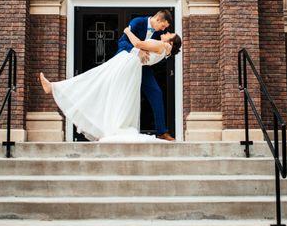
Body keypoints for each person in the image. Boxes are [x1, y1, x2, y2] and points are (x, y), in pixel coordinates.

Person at [39, 20, 181, 143]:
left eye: (170, 34)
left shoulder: (162, 46)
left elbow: (137, 43)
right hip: (131, 66)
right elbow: (142, 49)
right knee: (113, 93)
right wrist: (141, 50)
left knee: (95, 79)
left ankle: (55, 88)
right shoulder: (163, 50)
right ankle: (108, 126)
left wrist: (127, 31)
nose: (167, 32)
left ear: (171, 42)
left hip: (127, 63)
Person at [115, 10, 175, 141]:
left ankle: (162, 132)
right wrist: (138, 50)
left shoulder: (159, 34)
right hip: (127, 63)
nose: (164, 30)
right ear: (158, 19)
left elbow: (155, 49)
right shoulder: (138, 22)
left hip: (143, 68)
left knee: (156, 93)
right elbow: (122, 43)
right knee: (122, 96)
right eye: (164, 26)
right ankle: (113, 129)